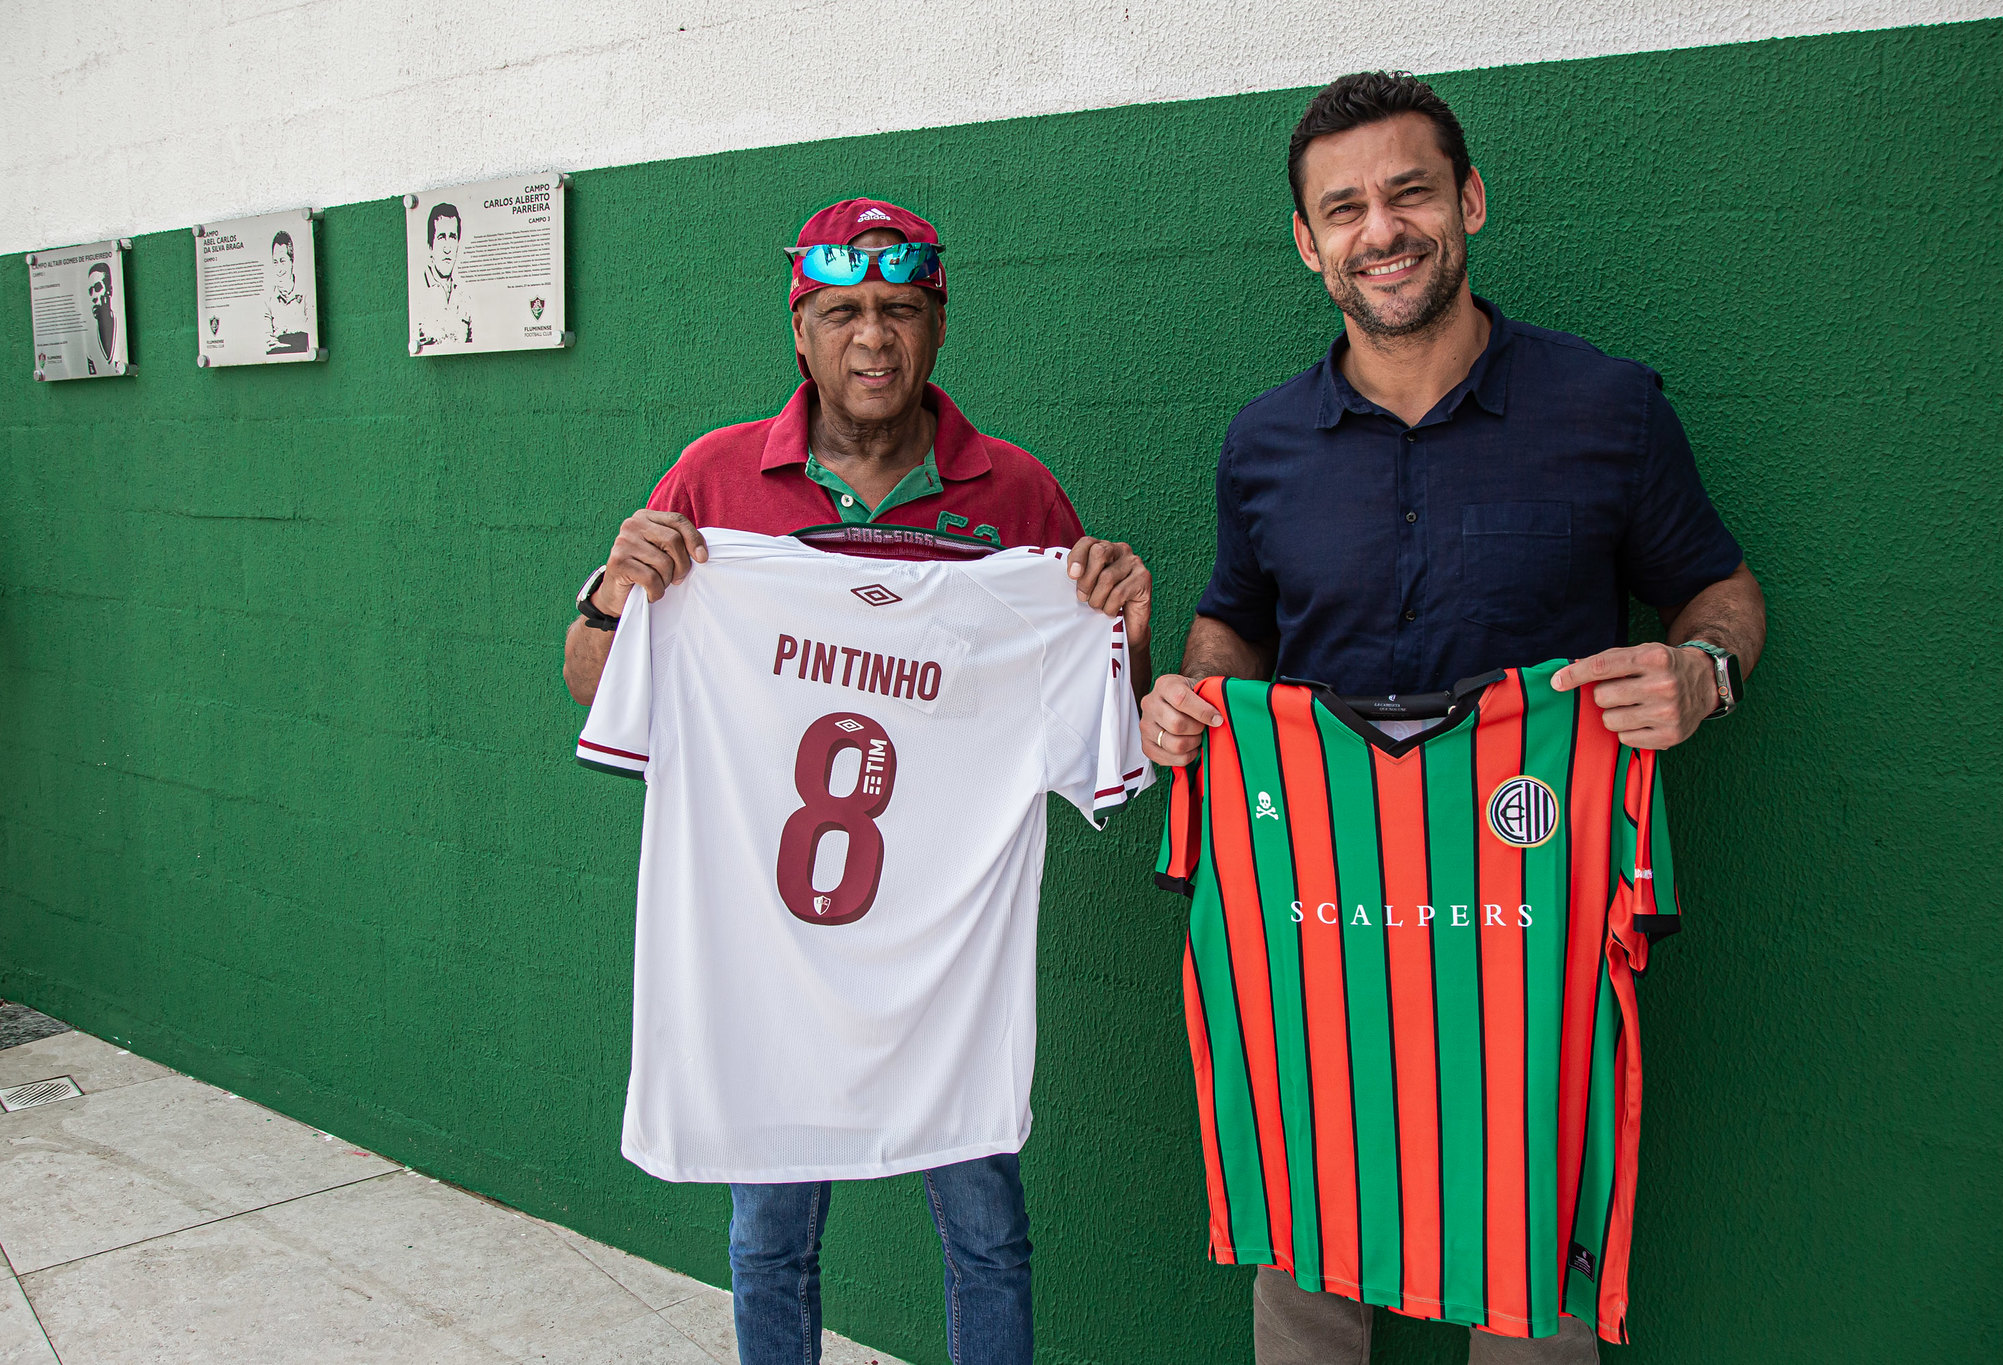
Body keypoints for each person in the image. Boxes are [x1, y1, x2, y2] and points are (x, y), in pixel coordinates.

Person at [1138, 72, 1765, 1364]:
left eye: (1410, 190)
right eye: (1345, 208)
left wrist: (1703, 670)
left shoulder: (1609, 407)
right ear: (1310, 248)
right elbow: (1229, 628)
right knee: (1305, 1240)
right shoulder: (1262, 442)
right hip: (1322, 920)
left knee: (1535, 1252)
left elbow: (1723, 588)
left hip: (1530, 914)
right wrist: (1189, 702)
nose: (1384, 227)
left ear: (1468, 201)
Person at [563, 197, 1153, 1365]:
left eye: (899, 310)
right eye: (842, 312)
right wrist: (613, 593)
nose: (871, 337)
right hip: (767, 959)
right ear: (801, 332)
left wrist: (1120, 627)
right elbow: (594, 680)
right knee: (768, 1234)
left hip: (946, 971)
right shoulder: (712, 479)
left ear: (937, 325)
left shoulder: (1017, 498)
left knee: (988, 1231)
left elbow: (1101, 714)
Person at [415, 202, 471, 349]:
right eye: (441, 237)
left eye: (452, 237)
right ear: (430, 246)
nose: (447, 248)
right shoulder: (418, 292)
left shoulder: (464, 296)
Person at [265, 230, 311, 354]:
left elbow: (310, 339)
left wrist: (281, 342)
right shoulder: (268, 300)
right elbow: (268, 345)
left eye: (283, 261)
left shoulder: (306, 295)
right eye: (275, 262)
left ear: (292, 261)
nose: (279, 268)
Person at [84, 262, 117, 374]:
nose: (93, 297)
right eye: (90, 291)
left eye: (97, 288)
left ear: (109, 291)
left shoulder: (123, 327)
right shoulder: (89, 346)